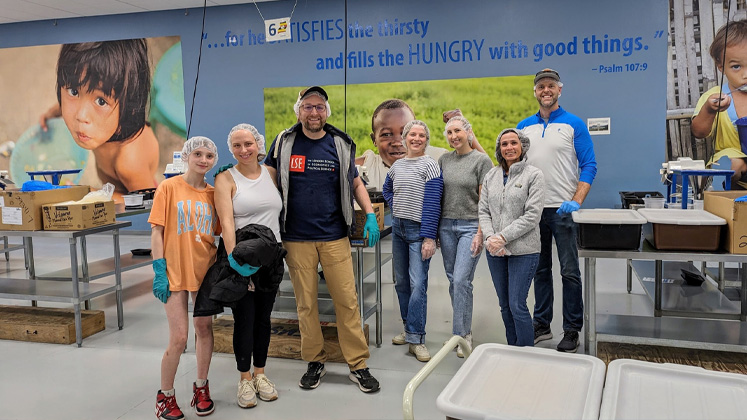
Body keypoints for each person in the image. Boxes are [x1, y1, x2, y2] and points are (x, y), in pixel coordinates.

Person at [264, 86, 381, 393]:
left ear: (326, 112)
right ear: (298, 110)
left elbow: (355, 181)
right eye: (307, 106)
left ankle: (358, 364)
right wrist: (236, 176)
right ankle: (314, 361)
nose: (313, 112)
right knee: (306, 305)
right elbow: (267, 179)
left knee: (347, 301)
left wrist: (368, 212)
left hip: (333, 236)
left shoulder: (340, 143)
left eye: (319, 107)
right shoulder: (284, 142)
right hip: (296, 237)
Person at [517, 68, 597, 353]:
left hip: (563, 211)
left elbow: (589, 165)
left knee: (570, 271)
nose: (545, 91)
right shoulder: (523, 127)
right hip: (533, 211)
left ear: (559, 90)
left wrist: (576, 199)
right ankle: (542, 324)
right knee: (540, 269)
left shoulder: (574, 124)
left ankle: (572, 329)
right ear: (535, 92)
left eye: (551, 86)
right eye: (541, 87)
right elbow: (516, 166)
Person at [212, 123, 282, 408]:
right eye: (237, 146)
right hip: (243, 259)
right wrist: (234, 260)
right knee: (245, 319)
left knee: (264, 319)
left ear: (258, 145)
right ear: (231, 149)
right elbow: (227, 221)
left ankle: (260, 374)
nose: (244, 150)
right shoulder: (225, 179)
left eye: (248, 144)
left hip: (272, 258)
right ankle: (244, 379)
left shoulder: (271, 173)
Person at [149, 136, 220, 419]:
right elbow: (157, 231)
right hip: (174, 271)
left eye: (209, 156)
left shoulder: (214, 193)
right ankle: (165, 396)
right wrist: (158, 269)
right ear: (187, 156)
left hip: (205, 271)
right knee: (179, 337)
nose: (203, 160)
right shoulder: (168, 187)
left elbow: (221, 230)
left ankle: (201, 387)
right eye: (198, 154)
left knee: (204, 329)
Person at [41, 40, 159, 200]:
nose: (81, 116)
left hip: (136, 188)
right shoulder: (99, 126)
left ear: (128, 109)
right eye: (74, 91)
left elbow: (149, 203)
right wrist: (51, 113)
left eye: (101, 101)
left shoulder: (128, 162)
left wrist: (93, 193)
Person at [383, 120, 443, 362]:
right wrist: (394, 205)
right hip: (398, 228)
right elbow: (388, 189)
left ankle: (417, 338)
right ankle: (409, 328)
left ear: (426, 140)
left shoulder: (430, 166)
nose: (416, 139)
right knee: (402, 283)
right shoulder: (397, 166)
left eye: (421, 135)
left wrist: (430, 237)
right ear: (404, 138)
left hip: (419, 231)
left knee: (419, 284)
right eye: (412, 135)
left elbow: (433, 203)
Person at [479, 128, 545, 347]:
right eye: (504, 144)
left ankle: (526, 352)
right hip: (494, 250)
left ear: (522, 146)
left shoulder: (534, 175)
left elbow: (532, 216)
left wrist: (503, 237)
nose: (509, 148)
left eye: (513, 143)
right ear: (499, 148)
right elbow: (483, 211)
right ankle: (511, 348)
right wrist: (490, 237)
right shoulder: (491, 176)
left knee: (517, 304)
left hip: (524, 250)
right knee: (505, 305)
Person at [437, 116, 493, 357]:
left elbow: (485, 201)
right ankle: (462, 329)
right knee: (454, 280)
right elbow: (437, 196)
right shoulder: (443, 160)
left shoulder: (482, 161)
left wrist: (481, 232)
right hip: (446, 226)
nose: (453, 136)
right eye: (449, 132)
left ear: (469, 133)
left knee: (461, 279)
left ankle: (461, 334)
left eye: (457, 131)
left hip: (471, 226)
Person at [355, 99, 484, 190]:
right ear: (374, 140)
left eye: (406, 132)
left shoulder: (437, 158)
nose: (397, 142)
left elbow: (486, 174)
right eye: (386, 134)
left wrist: (467, 132)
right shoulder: (367, 165)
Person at [692, 19, 747, 188]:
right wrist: (709, 109)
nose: (746, 74)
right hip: (731, 171)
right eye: (737, 66)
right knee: (734, 162)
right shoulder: (716, 97)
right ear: (721, 67)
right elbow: (698, 132)